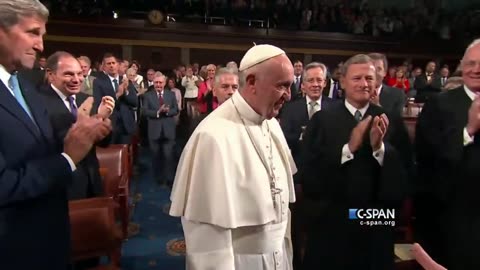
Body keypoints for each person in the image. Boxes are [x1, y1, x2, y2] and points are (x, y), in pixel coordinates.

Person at [0, 1, 112, 269]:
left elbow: (42, 149)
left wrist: (86, 130)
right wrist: (68, 157)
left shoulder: (24, 87)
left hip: (52, 236)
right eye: (32, 32)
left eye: (42, 35)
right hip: (14, 247)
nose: (40, 45)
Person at [170, 44, 296, 270]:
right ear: (251, 82)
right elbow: (206, 238)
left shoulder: (272, 125)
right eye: (282, 86)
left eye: (290, 86)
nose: (288, 95)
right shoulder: (212, 136)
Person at [301, 54, 412, 270]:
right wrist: (348, 149)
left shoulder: (391, 121)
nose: (364, 84)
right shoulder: (322, 120)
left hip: (375, 221)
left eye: (369, 78)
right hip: (332, 220)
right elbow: (310, 175)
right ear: (342, 82)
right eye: (357, 78)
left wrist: (379, 149)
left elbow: (404, 177)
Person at [415, 38, 480, 269]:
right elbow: (427, 156)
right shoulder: (439, 104)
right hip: (454, 213)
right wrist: (468, 131)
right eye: (471, 63)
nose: (476, 69)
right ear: (462, 65)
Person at [41, 51, 115, 200]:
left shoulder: (87, 99)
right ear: (51, 75)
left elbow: (102, 143)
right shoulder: (39, 103)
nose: (77, 79)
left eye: (80, 74)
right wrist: (78, 126)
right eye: (69, 74)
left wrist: (102, 120)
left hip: (91, 179)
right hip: (63, 185)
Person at [93, 53, 138, 144]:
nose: (111, 65)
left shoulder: (126, 81)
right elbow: (99, 103)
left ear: (118, 65)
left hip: (126, 125)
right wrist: (117, 95)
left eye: (113, 63)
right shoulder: (98, 82)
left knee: (126, 155)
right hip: (110, 125)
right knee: (111, 154)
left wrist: (125, 93)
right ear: (104, 67)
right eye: (108, 64)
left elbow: (135, 102)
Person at [142, 72, 178, 186]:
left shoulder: (171, 95)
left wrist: (167, 111)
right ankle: (158, 178)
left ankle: (169, 179)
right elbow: (145, 111)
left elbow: (176, 109)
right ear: (153, 83)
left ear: (165, 83)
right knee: (156, 156)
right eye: (156, 82)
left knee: (168, 156)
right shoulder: (148, 96)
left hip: (168, 129)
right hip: (154, 130)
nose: (158, 85)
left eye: (160, 82)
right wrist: (157, 112)